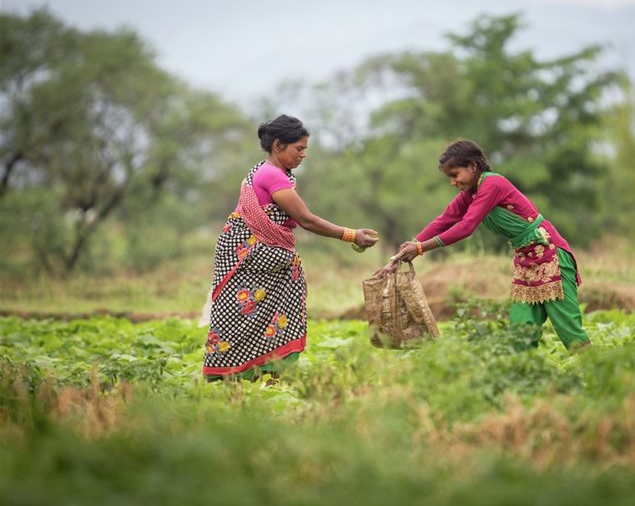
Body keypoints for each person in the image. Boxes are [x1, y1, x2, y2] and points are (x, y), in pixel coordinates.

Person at [202, 115, 379, 383]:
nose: (304, 155)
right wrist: (352, 235)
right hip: (249, 257)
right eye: (299, 148)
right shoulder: (272, 175)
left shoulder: (270, 172)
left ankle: (262, 378)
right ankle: (242, 377)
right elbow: (307, 220)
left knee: (258, 319)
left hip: (256, 258)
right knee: (242, 319)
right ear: (278, 146)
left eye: (305, 148)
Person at [384, 139, 591, 352]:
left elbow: (466, 227)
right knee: (520, 335)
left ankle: (604, 378)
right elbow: (444, 220)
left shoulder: (493, 184)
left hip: (550, 254)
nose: (453, 182)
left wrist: (420, 249)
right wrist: (407, 249)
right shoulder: (469, 195)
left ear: (473, 166)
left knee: (570, 333)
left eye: (455, 175)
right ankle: (525, 382)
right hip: (526, 262)